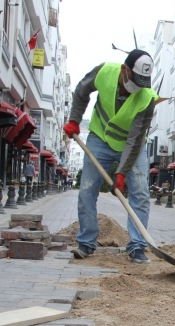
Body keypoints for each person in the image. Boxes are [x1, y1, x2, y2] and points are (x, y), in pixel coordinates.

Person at [63, 49, 157, 263]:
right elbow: (80, 91)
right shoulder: (105, 72)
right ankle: (86, 242)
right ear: (125, 69)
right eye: (135, 79)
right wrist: (75, 119)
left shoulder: (147, 98)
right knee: (86, 189)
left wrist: (121, 174)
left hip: (132, 145)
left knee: (140, 193)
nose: (138, 86)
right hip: (100, 138)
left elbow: (134, 141)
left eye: (143, 81)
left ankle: (137, 246)